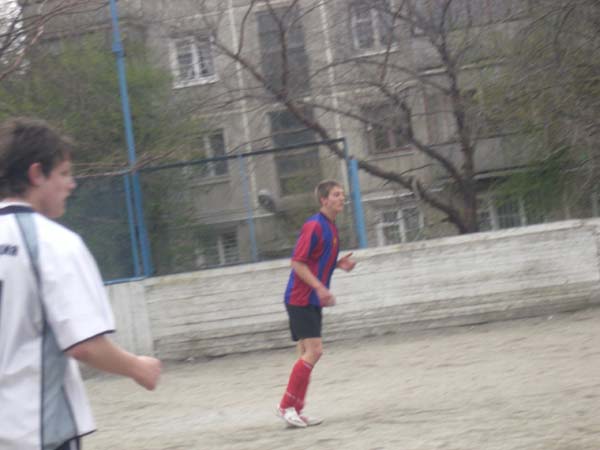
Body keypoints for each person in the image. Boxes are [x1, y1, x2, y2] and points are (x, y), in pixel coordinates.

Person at [0, 118, 162, 450]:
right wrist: (137, 367)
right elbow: (84, 345)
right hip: (36, 431)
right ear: (36, 174)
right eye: (63, 173)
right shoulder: (53, 243)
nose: (71, 184)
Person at [276, 179, 356, 428]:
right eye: (336, 194)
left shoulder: (331, 227)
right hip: (300, 298)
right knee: (315, 351)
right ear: (324, 200)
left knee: (307, 353)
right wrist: (320, 288)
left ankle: (296, 411)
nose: (342, 198)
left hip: (311, 300)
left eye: (342, 194)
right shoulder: (314, 226)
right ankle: (286, 407)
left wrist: (337, 265)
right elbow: (297, 263)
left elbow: (315, 262)